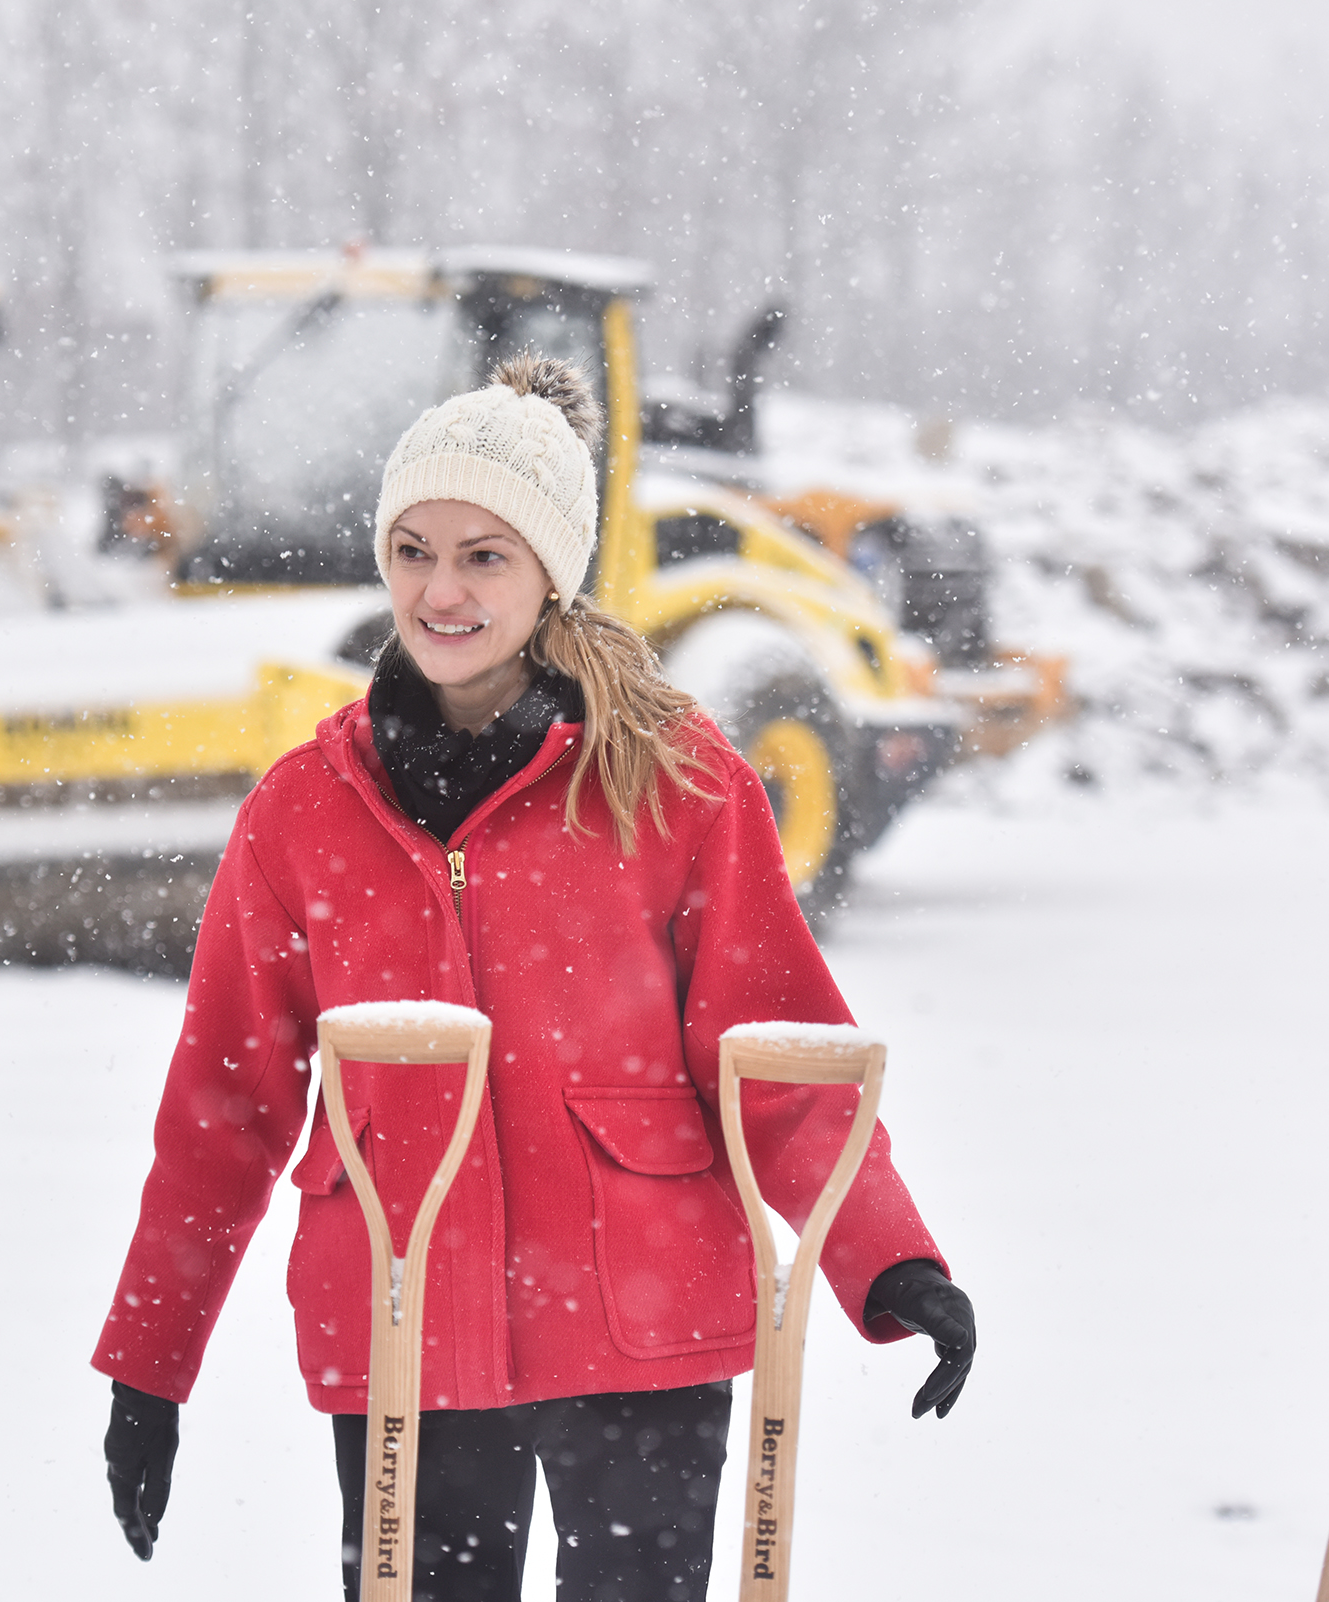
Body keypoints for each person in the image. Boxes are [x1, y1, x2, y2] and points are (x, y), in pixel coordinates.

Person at [94, 352, 975, 1602]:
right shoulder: (303, 810)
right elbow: (227, 1104)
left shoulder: (671, 778)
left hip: (643, 1312)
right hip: (406, 1320)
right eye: (412, 550)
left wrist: (893, 1263)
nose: (439, 590)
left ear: (551, 572)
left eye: (484, 556)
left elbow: (779, 1050)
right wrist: (152, 1361)